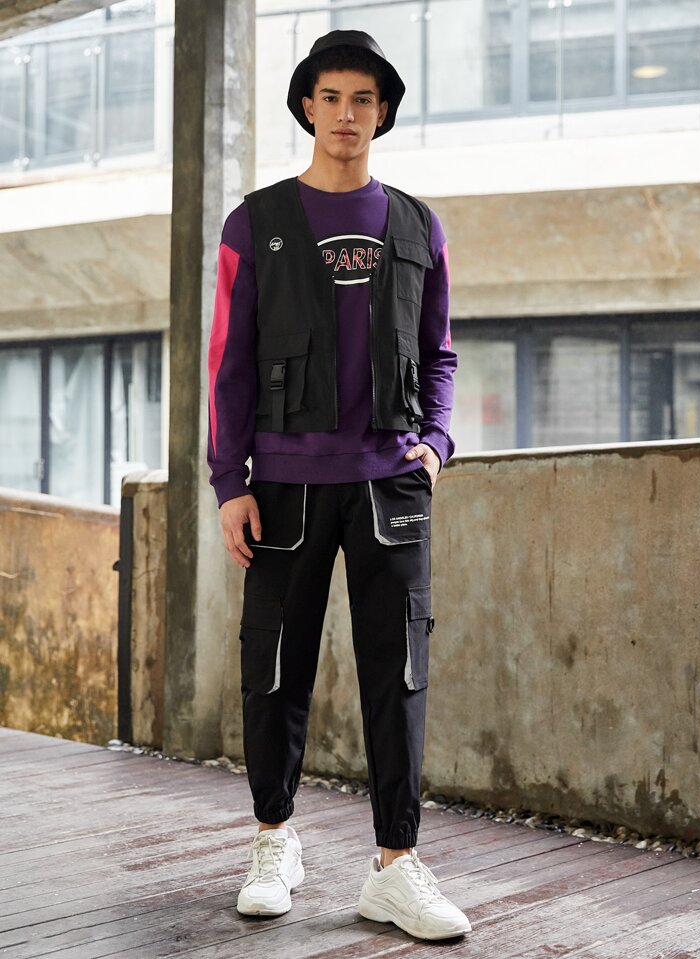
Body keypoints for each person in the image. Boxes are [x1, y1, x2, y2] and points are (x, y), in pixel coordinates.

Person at [207, 28, 469, 941]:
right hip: (283, 486)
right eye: (331, 97)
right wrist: (228, 480)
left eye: (363, 98)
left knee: (398, 674)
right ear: (307, 107)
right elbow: (228, 366)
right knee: (274, 669)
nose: (346, 113)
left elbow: (439, 352)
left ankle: (394, 866)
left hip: (390, 486)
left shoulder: (418, 225)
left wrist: (435, 443)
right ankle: (274, 840)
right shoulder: (255, 222)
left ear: (381, 112)